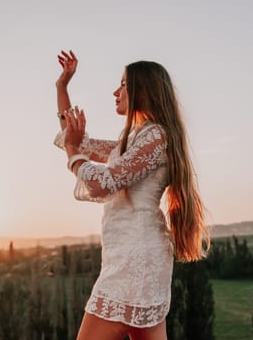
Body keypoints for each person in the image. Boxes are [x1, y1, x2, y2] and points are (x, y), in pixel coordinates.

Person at [54, 50, 209, 340]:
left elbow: (103, 182)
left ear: (143, 90)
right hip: (130, 254)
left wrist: (74, 153)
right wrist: (62, 87)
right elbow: (74, 140)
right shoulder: (134, 140)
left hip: (136, 257)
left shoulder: (155, 137)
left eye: (123, 84)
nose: (116, 91)